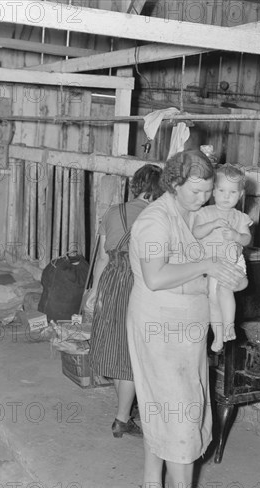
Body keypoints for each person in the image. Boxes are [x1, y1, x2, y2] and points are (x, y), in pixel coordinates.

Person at [127, 150, 248, 488]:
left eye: (209, 192)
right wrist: (208, 267)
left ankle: (150, 486)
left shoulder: (190, 215)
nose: (204, 198)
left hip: (190, 325)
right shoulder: (154, 221)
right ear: (174, 184)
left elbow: (223, 260)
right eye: (197, 191)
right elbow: (156, 276)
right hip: (160, 324)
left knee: (166, 404)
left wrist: (227, 272)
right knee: (181, 411)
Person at [87, 163, 163, 439]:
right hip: (138, 283)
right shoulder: (157, 216)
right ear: (160, 189)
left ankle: (126, 411)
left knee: (116, 347)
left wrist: (95, 292)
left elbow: (103, 257)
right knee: (131, 354)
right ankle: (122, 418)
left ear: (136, 186)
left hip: (110, 280)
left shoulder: (112, 212)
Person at [193, 164, 252, 352]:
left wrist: (236, 236)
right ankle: (218, 336)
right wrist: (212, 224)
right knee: (212, 300)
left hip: (232, 262)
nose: (227, 196)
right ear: (213, 192)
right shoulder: (204, 212)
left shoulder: (240, 217)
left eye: (233, 192)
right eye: (222, 190)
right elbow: (197, 232)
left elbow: (247, 238)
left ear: (240, 195)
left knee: (224, 289)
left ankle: (229, 326)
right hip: (212, 265)